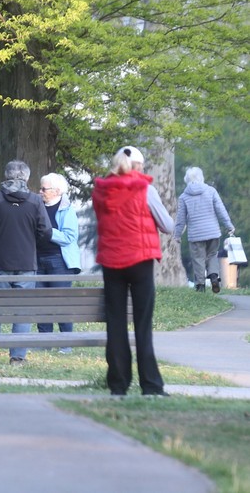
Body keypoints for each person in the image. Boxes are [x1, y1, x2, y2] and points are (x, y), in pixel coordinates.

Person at [92, 145, 174, 396]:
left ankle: (118, 384)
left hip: (111, 262)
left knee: (115, 323)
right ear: (138, 166)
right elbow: (167, 225)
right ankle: (151, 385)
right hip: (140, 260)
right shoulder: (145, 189)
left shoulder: (101, 191)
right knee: (142, 324)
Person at [0, 160, 53, 365]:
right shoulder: (35, 201)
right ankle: (17, 356)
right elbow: (46, 231)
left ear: (6, 176)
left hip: (0, 262)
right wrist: (32, 245)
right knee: (23, 310)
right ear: (26, 177)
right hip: (27, 264)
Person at [36, 172, 81, 354]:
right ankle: (44, 342)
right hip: (37, 259)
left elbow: (70, 237)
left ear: (56, 191)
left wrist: (49, 232)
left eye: (43, 189)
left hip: (59, 261)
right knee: (41, 303)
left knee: (61, 301)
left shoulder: (67, 209)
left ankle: (66, 343)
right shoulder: (37, 207)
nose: (40, 192)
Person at [173, 166, 234, 293]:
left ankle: (200, 286)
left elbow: (180, 219)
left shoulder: (184, 197)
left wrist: (177, 235)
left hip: (195, 235)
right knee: (212, 255)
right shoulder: (211, 191)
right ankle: (214, 277)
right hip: (213, 232)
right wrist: (229, 226)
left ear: (186, 180)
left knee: (198, 258)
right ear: (201, 177)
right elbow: (221, 210)